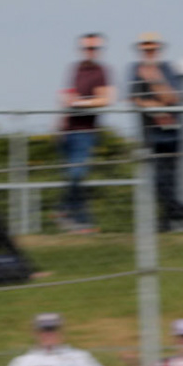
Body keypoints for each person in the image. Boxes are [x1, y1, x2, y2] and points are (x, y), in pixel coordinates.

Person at [128, 32, 183, 231]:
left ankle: (174, 217)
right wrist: (158, 108)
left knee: (168, 180)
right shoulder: (134, 70)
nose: (149, 52)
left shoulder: (167, 69)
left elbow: (173, 98)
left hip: (170, 135)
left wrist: (154, 79)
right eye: (145, 49)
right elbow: (135, 99)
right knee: (158, 182)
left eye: (152, 49)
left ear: (159, 49)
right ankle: (176, 215)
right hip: (150, 135)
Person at [55, 33, 112, 233]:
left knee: (77, 175)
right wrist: (60, 122)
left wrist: (79, 103)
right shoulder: (75, 69)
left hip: (85, 131)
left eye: (94, 48)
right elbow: (67, 95)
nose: (90, 52)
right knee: (73, 178)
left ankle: (64, 210)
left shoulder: (101, 71)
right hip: (67, 130)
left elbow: (105, 99)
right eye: (87, 48)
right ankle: (80, 221)